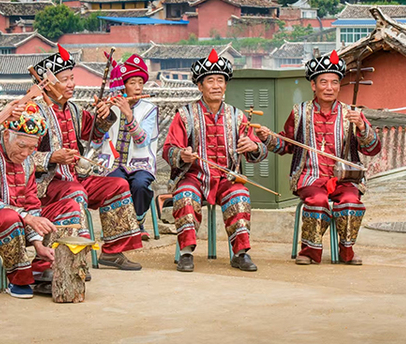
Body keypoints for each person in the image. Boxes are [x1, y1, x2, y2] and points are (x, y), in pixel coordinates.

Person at [256, 50, 381, 266]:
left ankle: (347, 250)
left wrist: (361, 125)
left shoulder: (350, 113)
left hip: (345, 178)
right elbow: (287, 144)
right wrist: (268, 138)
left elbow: (373, 149)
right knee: (318, 201)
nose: (329, 87)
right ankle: (310, 251)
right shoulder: (300, 112)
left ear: (340, 86)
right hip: (309, 176)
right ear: (313, 85)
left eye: (334, 82)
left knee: (351, 201)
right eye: (323, 82)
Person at [0, 105, 84, 298]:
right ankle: (19, 279)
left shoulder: (28, 162)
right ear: (6, 136)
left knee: (69, 206)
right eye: (21, 146)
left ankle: (45, 268)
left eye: (32, 148)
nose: (26, 153)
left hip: (19, 220)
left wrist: (38, 243)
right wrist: (26, 217)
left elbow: (31, 202)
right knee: (9, 217)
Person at [29, 45, 143, 270]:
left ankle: (113, 252)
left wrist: (104, 115)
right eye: (64, 79)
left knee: (118, 185)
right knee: (76, 191)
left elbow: (96, 133)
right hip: (46, 184)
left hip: (76, 178)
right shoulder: (34, 112)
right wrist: (52, 157)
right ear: (48, 84)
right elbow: (19, 157)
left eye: (72, 78)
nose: (71, 84)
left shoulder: (73, 110)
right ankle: (70, 260)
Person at [163, 49, 267, 273]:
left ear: (226, 85)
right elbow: (168, 149)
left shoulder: (237, 116)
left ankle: (240, 254)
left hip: (226, 178)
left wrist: (254, 146)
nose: (216, 86)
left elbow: (257, 150)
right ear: (200, 86)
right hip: (193, 176)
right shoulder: (185, 115)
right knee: (185, 196)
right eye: (210, 81)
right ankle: (186, 253)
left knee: (240, 195)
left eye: (221, 80)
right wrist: (181, 155)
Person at [94, 54, 159, 240]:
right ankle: (114, 227)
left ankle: (137, 221)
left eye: (140, 82)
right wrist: (100, 117)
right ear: (124, 85)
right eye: (132, 83)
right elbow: (96, 141)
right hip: (112, 162)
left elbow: (142, 141)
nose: (138, 87)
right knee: (115, 184)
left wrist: (129, 115)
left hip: (141, 163)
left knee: (139, 185)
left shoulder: (149, 109)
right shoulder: (111, 106)